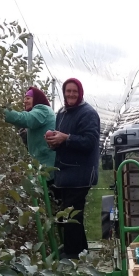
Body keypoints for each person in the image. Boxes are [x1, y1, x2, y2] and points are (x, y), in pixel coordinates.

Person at [44, 78, 100, 258]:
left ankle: (72, 254)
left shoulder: (88, 113)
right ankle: (80, 250)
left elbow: (89, 142)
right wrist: (53, 142)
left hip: (80, 174)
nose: (71, 94)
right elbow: (62, 139)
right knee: (65, 215)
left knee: (70, 215)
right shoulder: (62, 113)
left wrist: (66, 138)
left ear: (80, 92)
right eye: (68, 91)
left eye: (74, 91)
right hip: (64, 173)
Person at [3, 87, 57, 171]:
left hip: (46, 165)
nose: (25, 101)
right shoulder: (43, 112)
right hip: (43, 164)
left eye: (28, 98)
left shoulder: (42, 110)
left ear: (36, 99)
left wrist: (2, 112)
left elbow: (24, 118)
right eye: (24, 99)